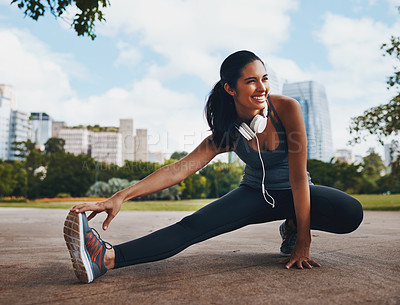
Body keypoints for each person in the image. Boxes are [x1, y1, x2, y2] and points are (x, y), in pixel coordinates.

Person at [63, 50, 363, 284]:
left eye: (265, 78)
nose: (262, 88)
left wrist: (303, 241)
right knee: (191, 227)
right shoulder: (228, 132)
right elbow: (178, 169)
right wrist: (121, 196)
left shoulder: (287, 109)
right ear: (230, 88)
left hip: (296, 190)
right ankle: (105, 257)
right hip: (254, 194)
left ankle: (292, 227)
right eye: (251, 81)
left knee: (350, 212)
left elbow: (298, 179)